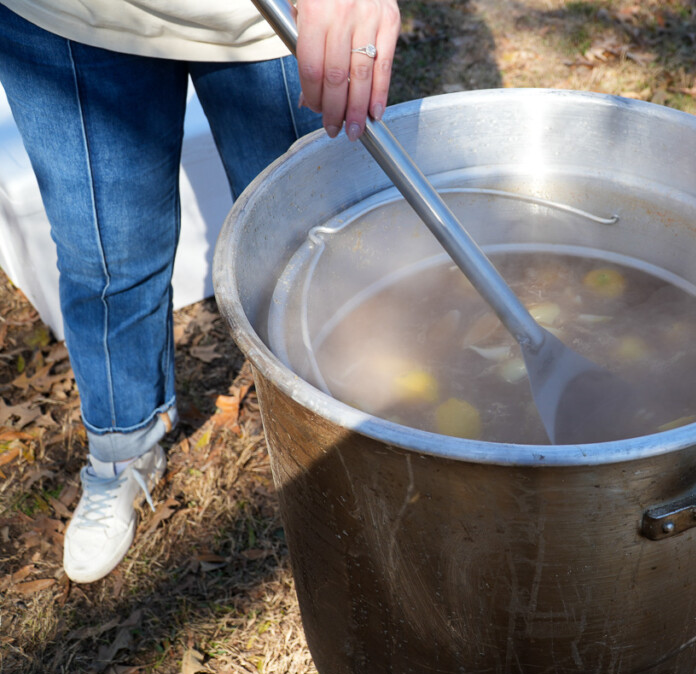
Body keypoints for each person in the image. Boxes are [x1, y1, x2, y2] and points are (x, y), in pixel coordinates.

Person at [0, 0, 400, 583]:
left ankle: (354, 437)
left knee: (321, 251)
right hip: (69, 18)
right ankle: (123, 448)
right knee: (105, 261)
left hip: (269, 21)